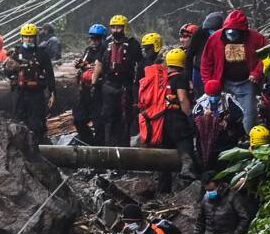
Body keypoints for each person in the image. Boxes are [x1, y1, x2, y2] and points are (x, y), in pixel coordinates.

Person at [200, 9, 268, 133]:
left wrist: (257, 72)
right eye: (229, 32)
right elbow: (206, 63)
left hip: (246, 83)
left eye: (235, 33)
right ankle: (223, 138)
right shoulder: (215, 38)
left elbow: (267, 56)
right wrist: (209, 84)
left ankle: (251, 137)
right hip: (222, 83)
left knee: (250, 114)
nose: (231, 37)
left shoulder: (257, 38)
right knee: (219, 114)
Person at [137, 47, 199, 181]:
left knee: (165, 148)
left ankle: (163, 185)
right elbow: (182, 98)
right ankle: (187, 168)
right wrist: (189, 116)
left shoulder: (162, 79)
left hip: (160, 119)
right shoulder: (180, 77)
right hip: (176, 117)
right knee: (184, 140)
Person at [3, 23, 56, 148]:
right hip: (20, 92)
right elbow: (7, 72)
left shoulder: (42, 53)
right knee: (19, 120)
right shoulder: (16, 53)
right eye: (26, 37)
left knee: (37, 122)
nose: (28, 39)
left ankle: (38, 146)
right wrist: (10, 69)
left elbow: (49, 74)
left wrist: (52, 92)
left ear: (35, 38)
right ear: (22, 38)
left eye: (31, 37)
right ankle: (21, 148)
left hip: (36, 93)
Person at [93, 15, 142, 148]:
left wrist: (136, 89)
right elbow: (100, 64)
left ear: (124, 28)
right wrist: (95, 83)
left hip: (125, 87)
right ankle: (109, 147)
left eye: (119, 27)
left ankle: (124, 148)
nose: (115, 30)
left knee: (125, 119)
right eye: (113, 28)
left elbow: (139, 67)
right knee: (108, 118)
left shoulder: (133, 44)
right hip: (109, 86)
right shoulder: (106, 44)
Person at [192, 79, 244, 171]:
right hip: (208, 141)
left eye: (215, 95)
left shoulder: (227, 99)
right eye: (211, 96)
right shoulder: (201, 102)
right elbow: (194, 117)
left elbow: (239, 112)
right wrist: (205, 116)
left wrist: (227, 121)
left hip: (226, 139)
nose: (213, 98)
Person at [72, 24, 108, 146]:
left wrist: (93, 68)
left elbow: (102, 67)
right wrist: (80, 64)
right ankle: (88, 142)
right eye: (91, 38)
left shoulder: (106, 51)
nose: (93, 41)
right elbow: (85, 65)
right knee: (78, 119)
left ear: (102, 38)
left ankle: (99, 147)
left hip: (99, 90)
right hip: (85, 90)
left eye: (96, 38)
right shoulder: (88, 50)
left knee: (98, 121)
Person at [187, 13, 223, 93]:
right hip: (199, 70)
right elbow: (189, 55)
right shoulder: (200, 33)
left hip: (216, 71)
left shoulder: (224, 34)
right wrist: (189, 78)